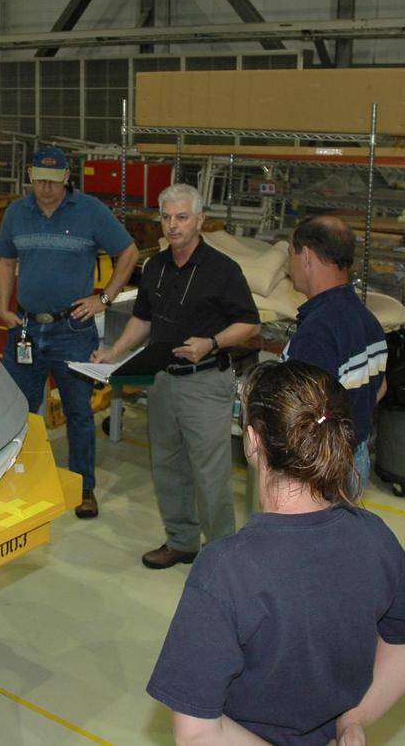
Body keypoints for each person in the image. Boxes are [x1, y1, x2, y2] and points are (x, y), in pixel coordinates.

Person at [147, 359, 405, 745]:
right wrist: (355, 718)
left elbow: (198, 733)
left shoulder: (226, 569)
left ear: (253, 442)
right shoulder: (373, 536)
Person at [92, 184, 259, 568]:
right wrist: (114, 353)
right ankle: (182, 541)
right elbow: (143, 319)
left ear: (200, 220)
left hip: (205, 381)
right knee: (167, 466)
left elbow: (249, 324)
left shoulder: (222, 270)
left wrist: (212, 343)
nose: (173, 226)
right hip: (163, 379)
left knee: (210, 475)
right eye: (166, 218)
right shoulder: (155, 266)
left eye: (182, 217)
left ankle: (222, 557)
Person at [0, 144, 139, 520]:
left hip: (72, 330)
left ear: (67, 178)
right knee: (19, 411)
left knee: (78, 412)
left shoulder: (90, 211)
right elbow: (6, 261)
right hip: (26, 328)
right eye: (40, 180)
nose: (46, 188)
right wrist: (2, 307)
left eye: (53, 181)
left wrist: (104, 299)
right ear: (30, 177)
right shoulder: (17, 213)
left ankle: (83, 487)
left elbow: (129, 252)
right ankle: (18, 480)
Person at [283, 215, 388, 489]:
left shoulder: (318, 331)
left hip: (322, 470)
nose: (288, 264)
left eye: (290, 253)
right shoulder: (368, 320)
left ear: (306, 256)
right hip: (355, 458)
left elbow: (305, 418)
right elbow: (380, 387)